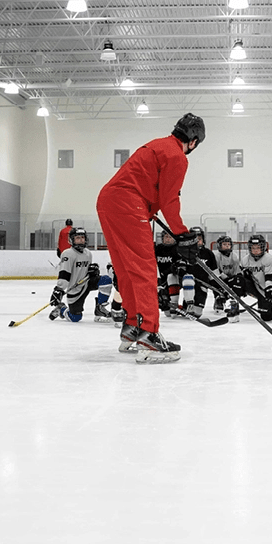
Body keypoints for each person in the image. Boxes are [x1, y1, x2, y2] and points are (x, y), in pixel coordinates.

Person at [96, 113, 205, 363]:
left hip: (109, 201)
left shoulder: (158, 144)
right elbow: (169, 199)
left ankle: (133, 326)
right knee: (144, 269)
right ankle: (149, 334)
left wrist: (147, 208)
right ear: (194, 141)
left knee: (125, 269)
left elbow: (146, 186)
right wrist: (182, 234)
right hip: (129, 204)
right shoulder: (177, 156)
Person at [48, 227, 101, 322]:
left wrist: (93, 272)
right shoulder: (68, 254)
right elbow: (65, 273)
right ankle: (62, 309)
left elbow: (85, 270)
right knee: (75, 317)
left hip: (86, 283)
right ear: (72, 240)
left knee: (106, 280)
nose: (81, 240)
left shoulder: (88, 253)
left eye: (82, 238)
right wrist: (59, 289)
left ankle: (100, 308)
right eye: (77, 238)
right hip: (75, 289)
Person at [230, 234, 272, 322]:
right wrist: (244, 276)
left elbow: (271, 277)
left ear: (263, 248)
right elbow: (239, 277)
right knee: (237, 280)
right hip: (252, 287)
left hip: (265, 290)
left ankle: (266, 307)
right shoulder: (245, 260)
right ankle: (234, 306)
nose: (255, 250)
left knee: (266, 317)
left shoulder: (269, 259)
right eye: (253, 248)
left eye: (258, 248)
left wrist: (270, 289)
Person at [178, 226, 217, 318]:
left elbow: (214, 272)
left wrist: (218, 289)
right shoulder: (184, 252)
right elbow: (180, 269)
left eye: (199, 239)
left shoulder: (208, 253)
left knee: (198, 313)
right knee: (188, 279)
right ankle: (188, 304)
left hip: (203, 284)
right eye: (195, 239)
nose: (197, 241)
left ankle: (186, 307)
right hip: (189, 283)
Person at [155, 230, 182, 317]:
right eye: (166, 237)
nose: (168, 239)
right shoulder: (157, 248)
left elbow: (180, 264)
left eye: (170, 237)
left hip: (174, 277)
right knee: (167, 313)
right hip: (160, 277)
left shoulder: (177, 249)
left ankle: (176, 304)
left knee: (172, 277)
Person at [213, 235, 241, 313]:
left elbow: (237, 269)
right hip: (220, 277)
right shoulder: (217, 256)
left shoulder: (234, 256)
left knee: (237, 284)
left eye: (228, 244)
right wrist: (224, 277)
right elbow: (216, 269)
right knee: (217, 284)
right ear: (219, 245)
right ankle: (219, 300)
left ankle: (235, 302)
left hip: (231, 277)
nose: (227, 246)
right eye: (224, 244)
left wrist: (235, 278)